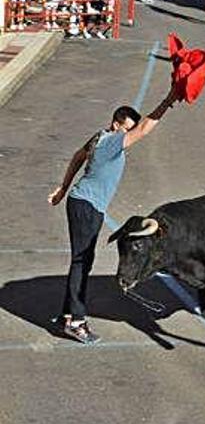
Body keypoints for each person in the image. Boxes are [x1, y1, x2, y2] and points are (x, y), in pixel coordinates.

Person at [46, 88, 179, 344]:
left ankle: (66, 316)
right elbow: (143, 129)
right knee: (81, 263)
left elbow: (78, 156)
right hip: (87, 206)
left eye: (128, 130)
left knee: (82, 261)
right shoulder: (110, 142)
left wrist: (64, 188)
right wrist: (169, 100)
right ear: (116, 123)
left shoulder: (100, 137)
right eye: (125, 129)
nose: (128, 135)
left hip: (82, 202)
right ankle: (76, 321)